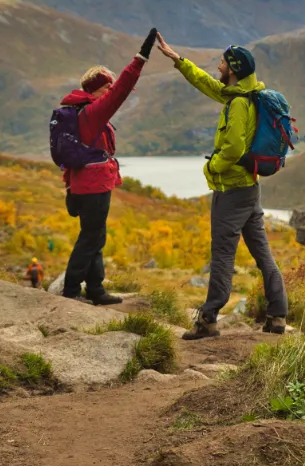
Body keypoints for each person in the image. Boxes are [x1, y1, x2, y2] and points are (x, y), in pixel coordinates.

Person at [154, 32, 289, 339]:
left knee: (223, 255)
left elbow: (233, 149)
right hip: (249, 190)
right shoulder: (241, 94)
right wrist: (177, 60)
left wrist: (210, 166)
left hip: (231, 191)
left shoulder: (239, 104)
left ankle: (208, 319)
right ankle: (278, 316)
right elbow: (209, 84)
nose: (218, 66)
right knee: (262, 254)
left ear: (234, 69)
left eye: (223, 62)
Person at [59, 28, 158, 305]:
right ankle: (70, 290)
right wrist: (141, 56)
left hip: (82, 183)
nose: (110, 93)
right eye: (107, 88)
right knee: (91, 237)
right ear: (95, 90)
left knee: (94, 235)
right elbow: (123, 88)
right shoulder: (93, 111)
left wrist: (70, 187)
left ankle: (95, 289)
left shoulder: (79, 111)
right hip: (94, 185)